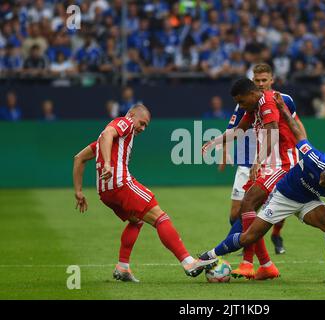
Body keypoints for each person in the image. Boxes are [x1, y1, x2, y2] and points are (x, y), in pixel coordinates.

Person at [199, 92, 325, 283]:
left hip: (308, 199)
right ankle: (207, 256)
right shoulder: (314, 158)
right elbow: (298, 133)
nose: (322, 182)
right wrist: (283, 109)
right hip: (284, 194)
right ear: (324, 169)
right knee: (248, 237)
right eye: (322, 177)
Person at [72, 104, 217, 282]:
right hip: (119, 183)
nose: (142, 128)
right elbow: (109, 132)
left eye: (146, 126)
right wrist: (108, 163)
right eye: (141, 123)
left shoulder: (106, 140)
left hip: (105, 192)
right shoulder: (124, 123)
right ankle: (188, 262)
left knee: (136, 220)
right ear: (131, 115)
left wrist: (78, 191)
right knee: (160, 216)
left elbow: (79, 158)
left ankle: (122, 267)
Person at [202, 78, 304, 280]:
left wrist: (258, 160)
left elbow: (273, 132)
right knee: (247, 209)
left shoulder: (266, 102)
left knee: (249, 205)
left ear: (251, 94)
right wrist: (214, 142)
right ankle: (262, 264)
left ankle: (247, 261)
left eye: (241, 102)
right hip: (270, 164)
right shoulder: (253, 107)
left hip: (283, 164)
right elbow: (238, 130)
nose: (240, 106)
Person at [221, 63, 301, 260]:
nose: (261, 84)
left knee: (270, 207)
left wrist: (304, 148)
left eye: (264, 80)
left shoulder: (284, 100)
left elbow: (296, 124)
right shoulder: (244, 101)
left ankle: (262, 243)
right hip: (248, 160)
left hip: (276, 162)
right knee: (236, 214)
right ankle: (247, 244)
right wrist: (223, 149)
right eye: (257, 81)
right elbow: (235, 128)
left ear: (272, 80)